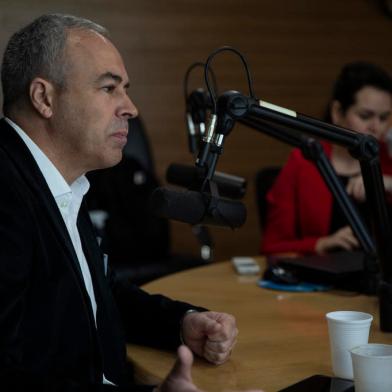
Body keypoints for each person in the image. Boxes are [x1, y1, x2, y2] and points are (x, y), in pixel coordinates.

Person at [0, 14, 244, 392]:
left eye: (125, 89)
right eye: (109, 88)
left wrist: (182, 324)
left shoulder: (62, 180)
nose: (130, 108)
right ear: (44, 98)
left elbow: (98, 294)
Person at [261, 61, 392, 256]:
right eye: (365, 116)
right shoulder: (304, 160)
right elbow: (271, 247)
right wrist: (321, 244)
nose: (376, 127)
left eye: (384, 118)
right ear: (337, 112)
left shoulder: (388, 158)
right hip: (321, 279)